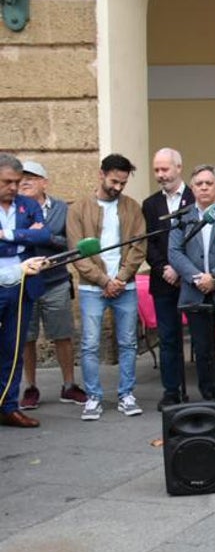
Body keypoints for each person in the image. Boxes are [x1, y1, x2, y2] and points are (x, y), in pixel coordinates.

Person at [68, 154, 147, 422]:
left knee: (128, 342)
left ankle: (126, 394)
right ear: (101, 174)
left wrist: (120, 279)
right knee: (90, 344)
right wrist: (104, 281)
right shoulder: (78, 208)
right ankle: (93, 398)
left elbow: (139, 247)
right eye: (115, 181)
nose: (119, 187)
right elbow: (77, 253)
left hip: (125, 285)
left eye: (123, 183)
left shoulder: (132, 208)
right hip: (93, 289)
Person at [168, 165, 215, 405]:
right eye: (199, 184)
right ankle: (213, 401)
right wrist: (197, 277)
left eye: (208, 183)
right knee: (203, 351)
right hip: (195, 292)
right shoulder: (182, 217)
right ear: (192, 188)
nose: (203, 187)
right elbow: (174, 252)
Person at [16, 160, 86, 409]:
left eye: (31, 177)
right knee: (27, 337)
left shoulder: (61, 209)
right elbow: (12, 241)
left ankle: (69, 385)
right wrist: (30, 236)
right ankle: (30, 387)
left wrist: (41, 235)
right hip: (24, 282)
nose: (24, 181)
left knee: (63, 334)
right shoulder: (14, 208)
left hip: (55, 281)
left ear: (44, 182)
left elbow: (70, 244)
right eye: (21, 177)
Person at [142, 148, 195, 410]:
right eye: (156, 170)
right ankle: (172, 391)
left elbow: (200, 240)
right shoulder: (150, 204)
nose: (161, 175)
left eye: (165, 169)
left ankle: (210, 389)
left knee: (201, 335)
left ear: (178, 167)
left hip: (193, 278)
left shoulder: (197, 196)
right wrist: (164, 267)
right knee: (169, 337)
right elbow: (149, 244)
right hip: (164, 280)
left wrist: (182, 269)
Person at [0, 154, 49, 428]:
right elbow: (33, 236)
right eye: (7, 182)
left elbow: (43, 236)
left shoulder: (28, 205)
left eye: (17, 182)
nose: (14, 188)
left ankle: (8, 406)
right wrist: (24, 237)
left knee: (13, 347)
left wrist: (6, 235)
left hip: (21, 287)